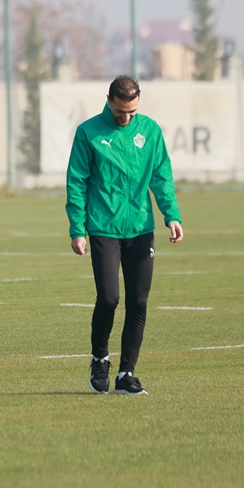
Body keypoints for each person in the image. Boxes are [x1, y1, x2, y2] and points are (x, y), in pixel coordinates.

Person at [65, 75, 183, 396]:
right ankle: (99, 359)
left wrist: (170, 215)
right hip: (103, 227)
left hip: (141, 228)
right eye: (120, 112)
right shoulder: (89, 133)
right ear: (108, 100)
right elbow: (76, 183)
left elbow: (161, 176)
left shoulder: (150, 131)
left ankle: (126, 374)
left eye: (131, 112)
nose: (126, 118)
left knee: (138, 302)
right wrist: (78, 229)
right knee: (109, 298)